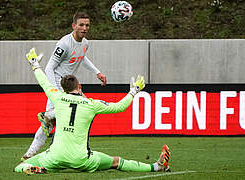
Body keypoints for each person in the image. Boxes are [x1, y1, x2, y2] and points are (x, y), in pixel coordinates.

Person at [14, 48, 171, 175]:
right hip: (81, 160)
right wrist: (134, 91)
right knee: (116, 162)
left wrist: (34, 63)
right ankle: (156, 167)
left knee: (21, 166)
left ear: (64, 89)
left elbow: (44, 82)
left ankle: (33, 169)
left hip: (55, 157)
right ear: (80, 86)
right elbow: (119, 107)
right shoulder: (91, 104)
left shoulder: (58, 98)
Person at [22, 11, 107, 160]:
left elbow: (82, 57)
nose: (84, 28)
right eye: (81, 25)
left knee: (50, 124)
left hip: (69, 84)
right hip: (58, 82)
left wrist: (97, 72)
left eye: (87, 25)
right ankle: (47, 120)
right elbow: (49, 67)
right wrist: (55, 91)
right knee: (79, 108)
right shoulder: (64, 43)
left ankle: (30, 152)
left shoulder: (85, 43)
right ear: (74, 26)